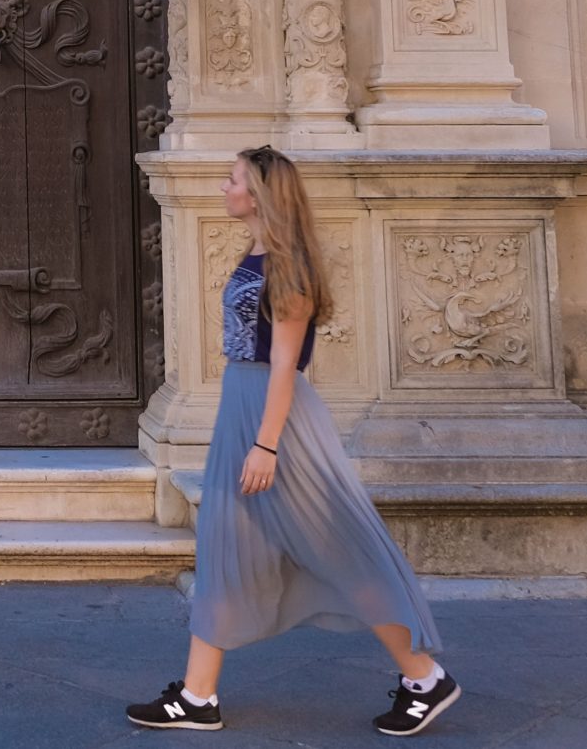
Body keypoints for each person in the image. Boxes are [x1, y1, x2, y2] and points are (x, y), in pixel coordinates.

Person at [128, 147, 458, 736]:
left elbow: (284, 366)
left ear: (257, 195)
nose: (223, 188)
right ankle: (198, 695)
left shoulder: (288, 266)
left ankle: (425, 677)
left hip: (275, 422)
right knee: (224, 542)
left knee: (339, 548)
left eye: (232, 180)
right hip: (244, 408)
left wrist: (267, 445)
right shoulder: (257, 254)